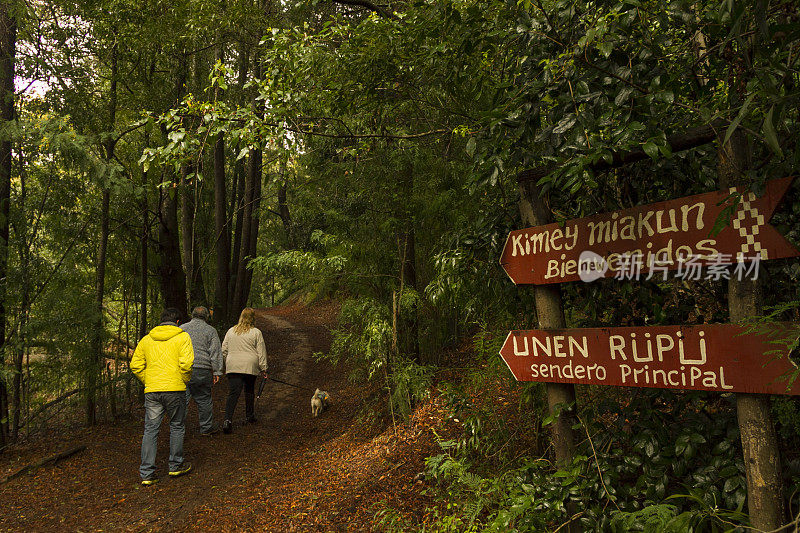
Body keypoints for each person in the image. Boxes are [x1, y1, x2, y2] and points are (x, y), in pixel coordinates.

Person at [130, 307, 194, 485]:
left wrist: (148, 381)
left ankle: (147, 473)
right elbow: (187, 365)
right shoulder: (183, 337)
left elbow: (135, 365)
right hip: (175, 389)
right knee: (177, 426)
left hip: (152, 391)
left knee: (151, 430)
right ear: (179, 322)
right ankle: (175, 466)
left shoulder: (146, 340)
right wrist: (183, 380)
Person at [221, 307, 268, 434]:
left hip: (233, 366)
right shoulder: (256, 332)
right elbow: (261, 352)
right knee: (249, 391)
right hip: (249, 366)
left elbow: (223, 349)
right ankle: (249, 416)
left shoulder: (231, 331)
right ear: (253, 318)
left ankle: (227, 420)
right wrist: (263, 368)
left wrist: (228, 361)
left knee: (233, 393)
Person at [180, 306, 223, 435]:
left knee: (182, 399)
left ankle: (178, 427)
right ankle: (206, 427)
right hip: (203, 370)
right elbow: (215, 352)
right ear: (206, 317)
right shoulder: (210, 330)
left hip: (184, 369)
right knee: (204, 399)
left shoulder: (182, 328)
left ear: (192, 315)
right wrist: (217, 371)